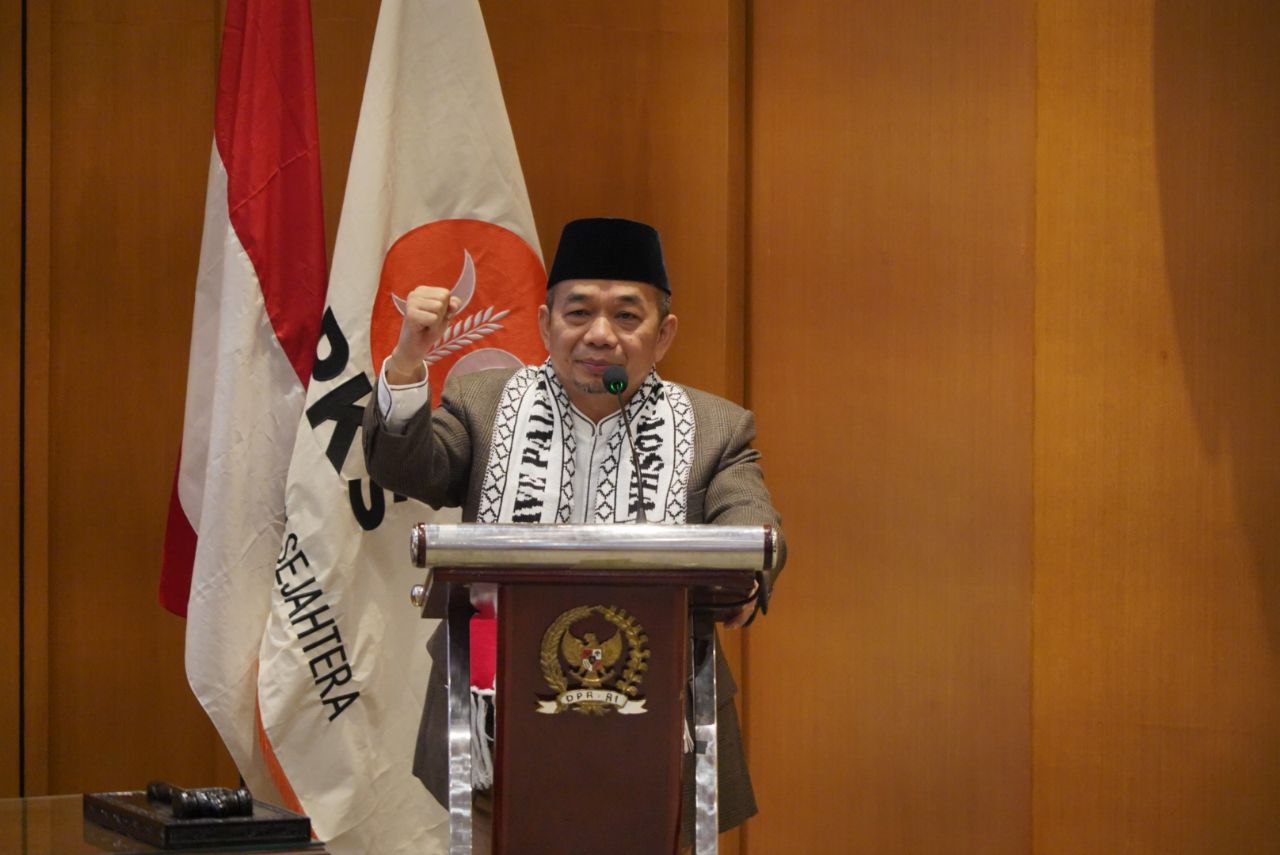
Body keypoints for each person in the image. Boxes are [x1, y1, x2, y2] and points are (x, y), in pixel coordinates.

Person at [363, 217, 785, 843]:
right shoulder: (483, 404)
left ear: (664, 334)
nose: (600, 335)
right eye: (579, 312)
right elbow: (404, 467)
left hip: (663, 745)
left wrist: (746, 577)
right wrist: (406, 362)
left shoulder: (714, 427)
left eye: (626, 316)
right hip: (499, 736)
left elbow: (752, 521)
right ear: (545, 325)